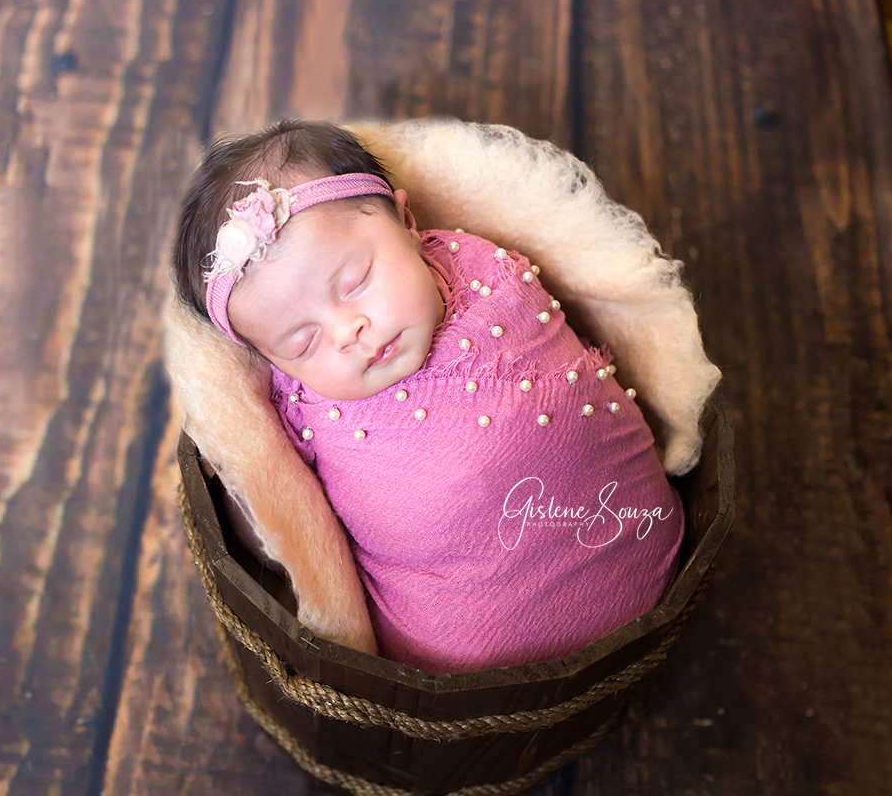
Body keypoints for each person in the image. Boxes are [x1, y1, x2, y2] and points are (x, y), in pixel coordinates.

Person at [172, 120, 684, 674]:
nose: (349, 331)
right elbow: (278, 527)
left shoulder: (485, 267)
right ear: (272, 362)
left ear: (409, 224)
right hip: (468, 670)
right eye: (304, 340)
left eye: (355, 281)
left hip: (644, 551)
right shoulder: (299, 411)